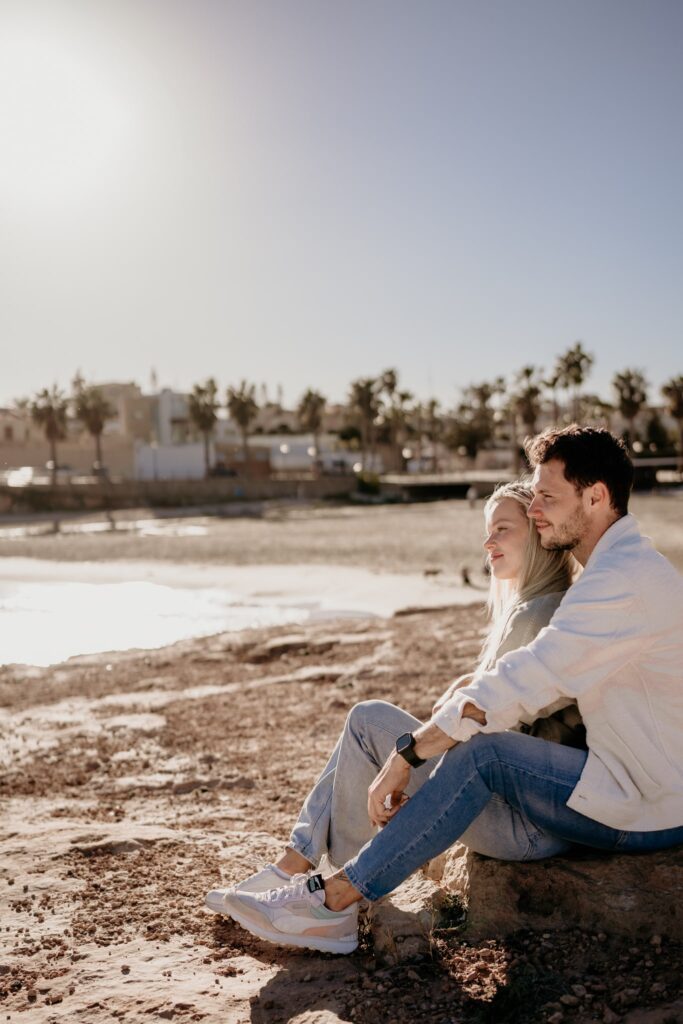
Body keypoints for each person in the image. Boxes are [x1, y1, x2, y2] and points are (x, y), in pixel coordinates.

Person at [210, 426, 683, 956]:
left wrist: (408, 752)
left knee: (484, 752)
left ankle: (333, 900)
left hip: (645, 807)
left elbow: (523, 684)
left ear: (596, 496)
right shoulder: (622, 570)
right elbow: (528, 679)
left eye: (548, 497)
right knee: (427, 733)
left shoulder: (621, 581)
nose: (538, 510)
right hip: (635, 791)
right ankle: (316, 886)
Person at [205, 477, 581, 947]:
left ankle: (306, 878)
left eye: (502, 529)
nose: (488, 543)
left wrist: (414, 756)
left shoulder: (540, 613)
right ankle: (308, 879)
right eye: (488, 531)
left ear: (539, 533)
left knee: (369, 722)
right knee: (371, 726)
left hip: (524, 823)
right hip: (524, 812)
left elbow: (494, 725)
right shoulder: (534, 608)